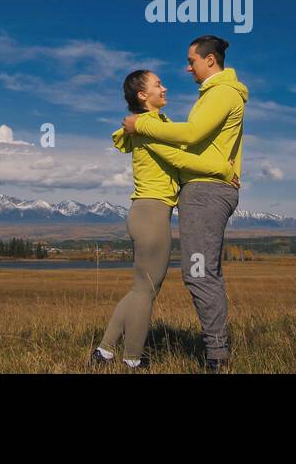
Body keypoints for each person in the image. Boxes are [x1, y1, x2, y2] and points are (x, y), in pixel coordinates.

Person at [91, 69, 238, 371]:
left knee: (139, 289)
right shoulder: (147, 126)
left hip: (149, 212)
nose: (165, 87)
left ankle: (104, 352)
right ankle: (132, 359)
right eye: (158, 84)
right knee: (145, 291)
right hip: (152, 214)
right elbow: (180, 160)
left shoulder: (155, 124)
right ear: (143, 96)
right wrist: (224, 170)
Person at [122, 35, 247, 371]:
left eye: (191, 61)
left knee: (198, 273)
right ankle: (216, 352)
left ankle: (216, 357)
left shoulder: (221, 93)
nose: (187, 67)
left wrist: (142, 123)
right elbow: (186, 147)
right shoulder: (213, 95)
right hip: (204, 189)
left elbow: (190, 135)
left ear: (209, 60)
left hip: (206, 192)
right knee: (205, 272)